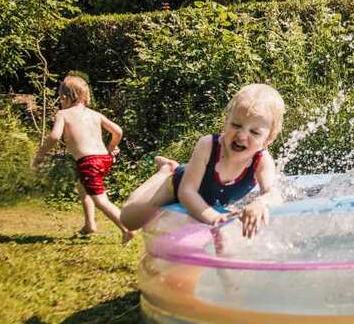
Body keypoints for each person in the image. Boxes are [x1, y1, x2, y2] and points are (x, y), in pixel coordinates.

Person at [120, 83, 285, 239]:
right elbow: (187, 192)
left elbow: (272, 192)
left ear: (269, 138)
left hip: (210, 198)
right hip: (178, 185)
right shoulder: (208, 145)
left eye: (254, 132)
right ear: (225, 122)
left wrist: (260, 203)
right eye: (236, 125)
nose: (241, 135)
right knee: (129, 219)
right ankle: (166, 170)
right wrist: (212, 216)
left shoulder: (262, 160)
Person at [33, 75, 134, 242]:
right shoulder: (95, 114)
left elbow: (54, 136)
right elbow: (118, 131)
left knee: (100, 200)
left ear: (64, 97)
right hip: (103, 159)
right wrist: (109, 149)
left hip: (89, 162)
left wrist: (40, 154)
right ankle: (90, 225)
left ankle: (127, 229)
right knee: (82, 186)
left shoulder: (63, 114)